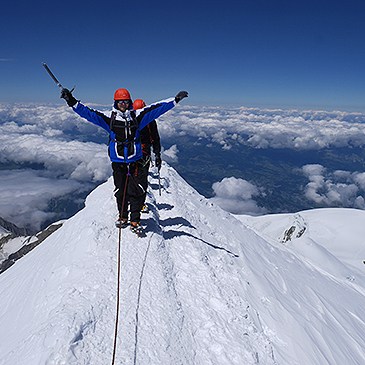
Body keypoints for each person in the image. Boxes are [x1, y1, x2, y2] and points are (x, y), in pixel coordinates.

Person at [60, 87, 188, 234]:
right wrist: (71, 101)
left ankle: (135, 219)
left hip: (135, 160)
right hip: (118, 161)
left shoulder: (137, 116)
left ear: (130, 102)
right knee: (121, 190)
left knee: (137, 190)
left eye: (125, 101)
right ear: (116, 102)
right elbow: (89, 114)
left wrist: (175, 100)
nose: (123, 104)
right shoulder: (110, 118)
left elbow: (156, 109)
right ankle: (122, 216)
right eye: (120, 102)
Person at [133, 99, 161, 214]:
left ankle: (132, 202)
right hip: (145, 154)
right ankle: (140, 204)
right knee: (142, 179)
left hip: (131, 154)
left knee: (132, 178)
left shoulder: (131, 120)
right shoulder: (150, 120)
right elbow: (155, 138)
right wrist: (157, 154)